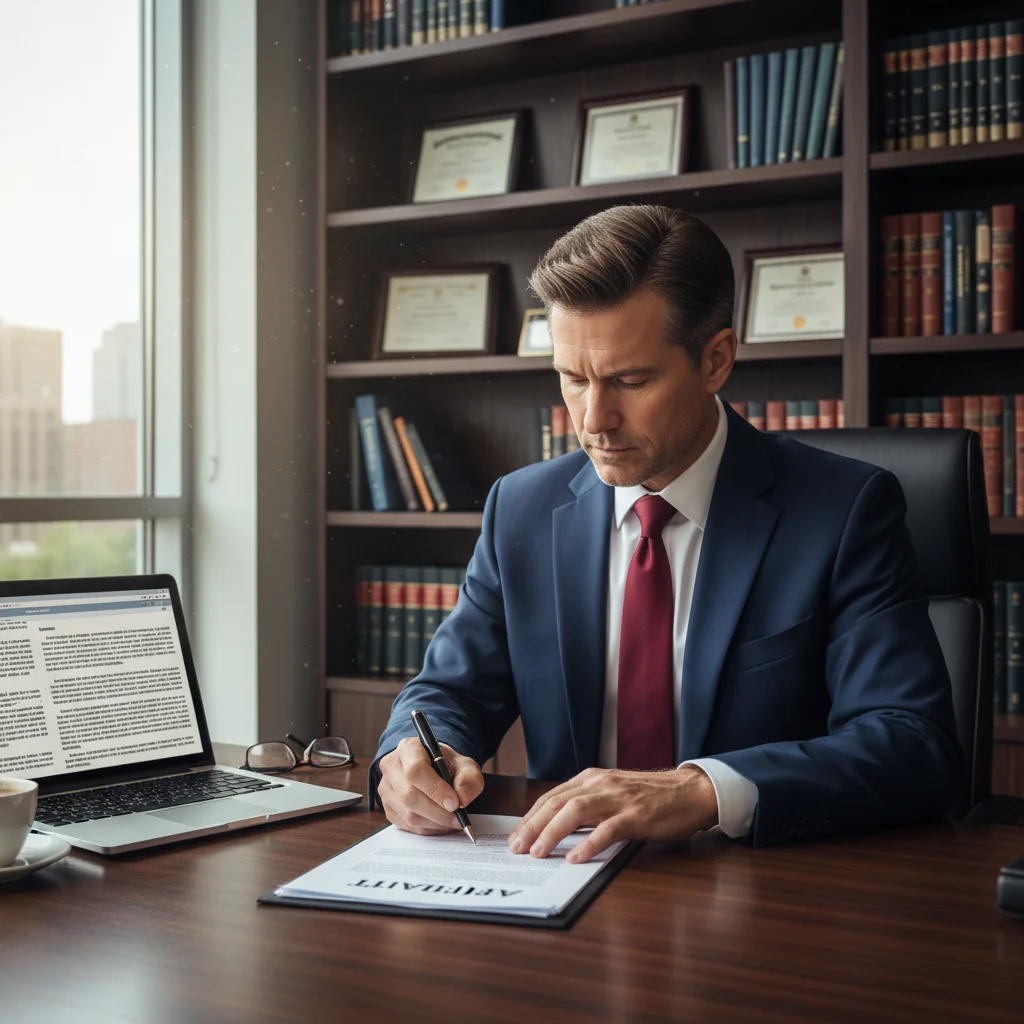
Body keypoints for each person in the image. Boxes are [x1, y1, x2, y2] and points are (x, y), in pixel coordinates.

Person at [369, 204, 963, 863]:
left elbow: (913, 742)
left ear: (716, 360)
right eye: (572, 378)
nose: (594, 419)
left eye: (630, 380)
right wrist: (416, 753)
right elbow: (448, 691)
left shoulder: (845, 510)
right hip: (559, 879)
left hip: (766, 893)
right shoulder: (522, 508)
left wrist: (702, 789)